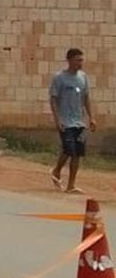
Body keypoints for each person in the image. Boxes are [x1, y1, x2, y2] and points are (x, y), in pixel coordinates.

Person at [50, 47, 97, 193]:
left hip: (79, 121)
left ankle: (71, 185)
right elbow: (53, 99)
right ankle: (57, 170)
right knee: (69, 150)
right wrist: (57, 119)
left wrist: (91, 117)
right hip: (65, 121)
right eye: (77, 60)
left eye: (81, 60)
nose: (80, 63)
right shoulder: (59, 78)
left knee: (78, 153)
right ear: (69, 60)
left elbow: (86, 97)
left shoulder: (83, 77)